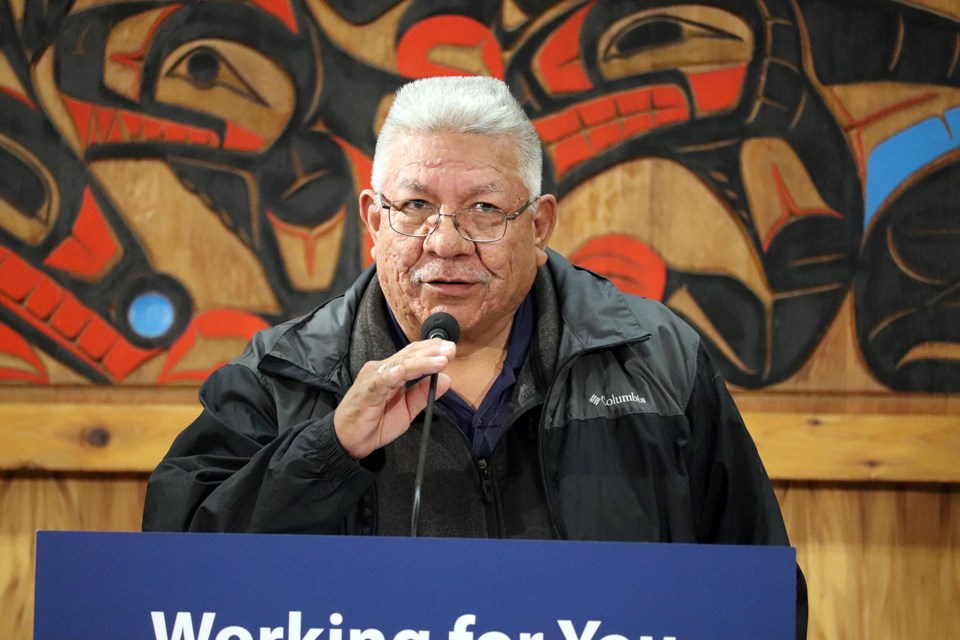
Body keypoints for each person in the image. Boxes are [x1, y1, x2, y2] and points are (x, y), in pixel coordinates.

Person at [143, 76, 806, 636]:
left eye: (484, 209)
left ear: (539, 226)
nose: (446, 241)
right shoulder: (278, 379)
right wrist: (329, 450)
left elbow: (762, 594)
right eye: (415, 207)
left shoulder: (655, 361)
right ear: (374, 224)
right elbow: (166, 591)